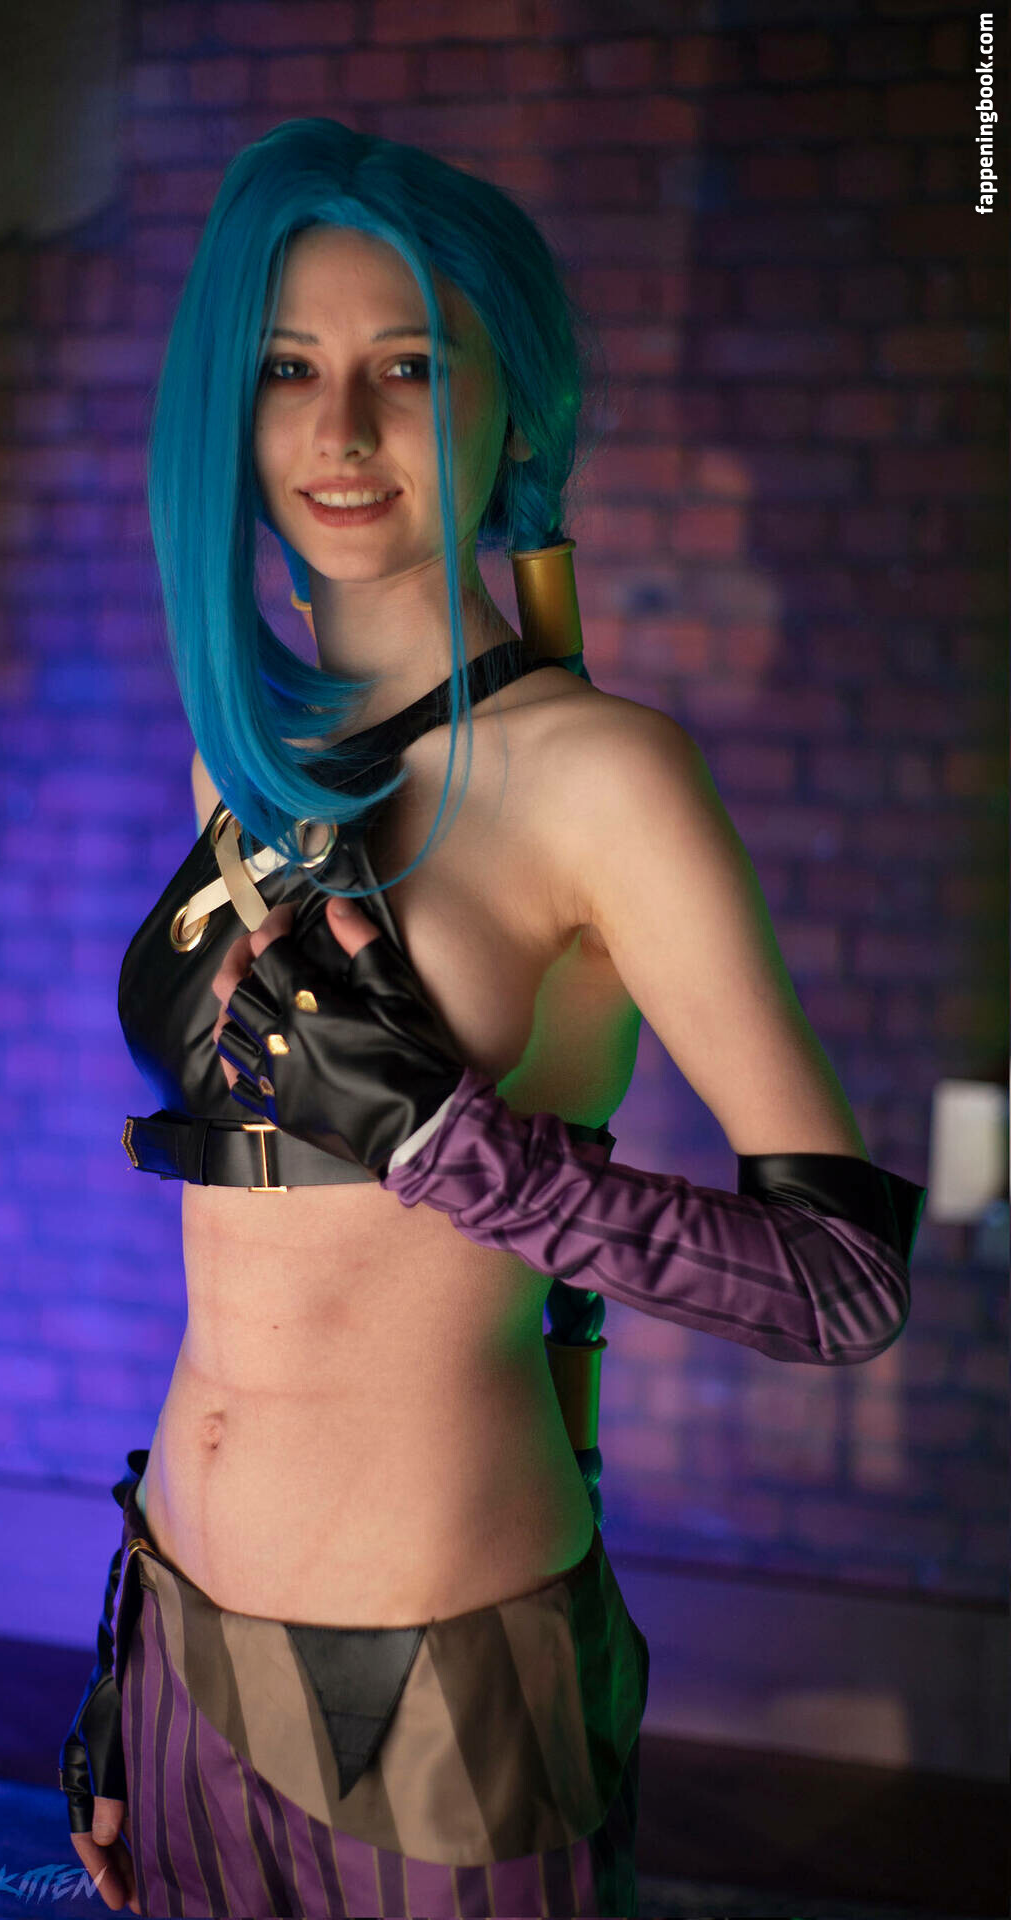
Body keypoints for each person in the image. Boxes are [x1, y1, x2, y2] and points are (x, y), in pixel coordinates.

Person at [57, 119, 926, 1920]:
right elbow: (257, 1280)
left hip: (446, 1686)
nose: (340, 429)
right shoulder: (250, 761)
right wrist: (120, 1673)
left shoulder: (604, 777)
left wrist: (443, 1143)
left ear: (511, 413)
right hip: (181, 1646)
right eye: (287, 369)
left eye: (409, 368)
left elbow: (842, 1285)